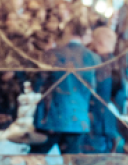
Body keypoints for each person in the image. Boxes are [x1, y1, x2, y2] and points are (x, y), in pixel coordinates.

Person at [32, 19, 98, 155]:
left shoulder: (52, 54)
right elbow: (94, 91)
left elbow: (38, 84)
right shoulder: (93, 58)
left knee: (36, 159)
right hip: (78, 119)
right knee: (71, 164)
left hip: (50, 118)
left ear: (69, 31)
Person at [86, 24, 127, 154]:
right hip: (110, 124)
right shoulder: (118, 65)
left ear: (99, 42)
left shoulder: (91, 63)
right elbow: (121, 96)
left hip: (92, 123)